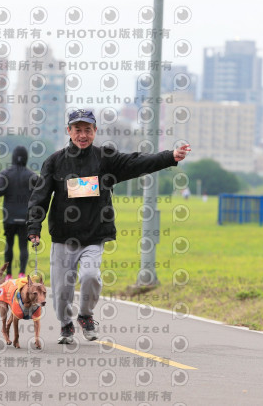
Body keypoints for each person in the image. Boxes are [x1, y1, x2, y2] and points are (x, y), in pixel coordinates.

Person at [27, 109, 191, 344]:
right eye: (77, 130)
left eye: (87, 130)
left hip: (94, 235)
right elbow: (40, 196)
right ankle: (66, 325)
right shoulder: (55, 162)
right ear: (69, 131)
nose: (82, 135)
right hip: (64, 236)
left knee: (91, 276)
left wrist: (170, 156)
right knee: (62, 289)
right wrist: (34, 227)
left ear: (95, 131)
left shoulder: (105, 158)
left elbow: (137, 162)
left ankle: (85, 315)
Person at [0, 146, 36, 280]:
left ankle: (8, 274)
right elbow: (39, 193)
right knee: (23, 246)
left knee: (9, 244)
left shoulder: (5, 174)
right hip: (25, 216)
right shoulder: (32, 175)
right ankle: (22, 273)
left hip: (9, 216)